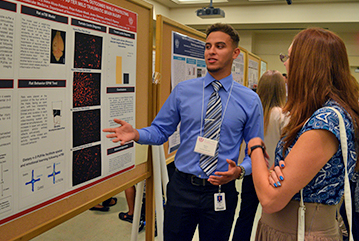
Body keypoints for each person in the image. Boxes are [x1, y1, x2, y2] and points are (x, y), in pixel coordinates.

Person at [103, 23, 264, 241]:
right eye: (208, 46)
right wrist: (137, 134)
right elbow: (161, 130)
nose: (211, 52)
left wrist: (240, 171)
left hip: (220, 191)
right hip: (182, 189)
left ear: (235, 53)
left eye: (219, 46)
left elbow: (257, 152)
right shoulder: (183, 91)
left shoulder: (250, 100)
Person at [248, 27, 359, 240]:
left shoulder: (326, 120)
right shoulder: (318, 114)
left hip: (301, 232)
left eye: (288, 57)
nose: (285, 63)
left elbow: (271, 199)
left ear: (308, 65)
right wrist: (274, 172)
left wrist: (254, 147)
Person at [232, 70, 288, 241]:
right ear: (281, 89)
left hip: (253, 172)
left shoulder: (251, 114)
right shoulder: (284, 116)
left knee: (245, 216)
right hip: (275, 176)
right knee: (275, 222)